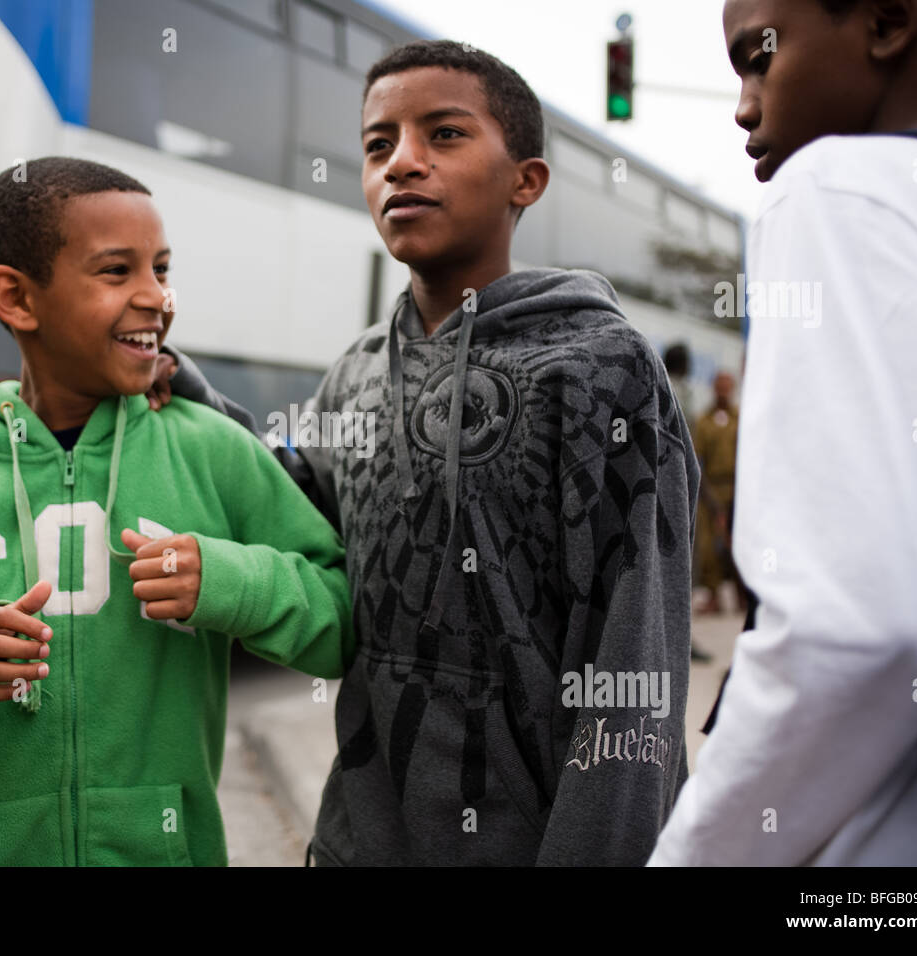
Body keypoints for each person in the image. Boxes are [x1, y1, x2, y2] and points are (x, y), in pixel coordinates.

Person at [164, 40, 700, 865]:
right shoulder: (353, 373)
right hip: (357, 843)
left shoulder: (600, 368)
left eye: (443, 135)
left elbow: (633, 668)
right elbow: (298, 508)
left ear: (526, 180)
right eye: (379, 145)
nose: (402, 163)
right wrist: (191, 393)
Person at [0, 158, 354, 866]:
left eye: (161, 269)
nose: (157, 298)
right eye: (117, 272)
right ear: (16, 297)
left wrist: (230, 582)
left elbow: (339, 623)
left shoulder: (214, 452)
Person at [650, 0, 917, 865]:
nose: (745, 105)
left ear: (889, 22)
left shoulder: (845, 188)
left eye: (759, 58)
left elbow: (854, 634)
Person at [692, 370, 742, 615]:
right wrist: (709, 499)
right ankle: (713, 597)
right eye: (719, 387)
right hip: (711, 488)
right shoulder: (704, 420)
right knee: (709, 547)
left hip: (737, 487)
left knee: (740, 543)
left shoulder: (740, 418)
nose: (723, 391)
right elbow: (697, 457)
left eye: (727, 386)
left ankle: (744, 595)